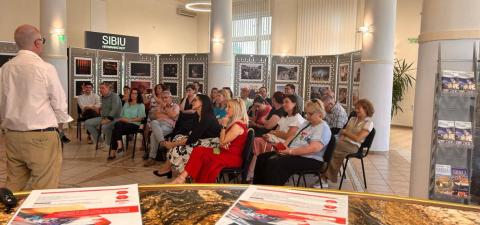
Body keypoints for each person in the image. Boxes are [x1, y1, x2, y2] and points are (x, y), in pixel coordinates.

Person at [0, 24, 73, 191]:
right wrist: (62, 124)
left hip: (12, 136)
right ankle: (39, 217)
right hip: (41, 136)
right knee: (45, 186)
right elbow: (59, 102)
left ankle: (6, 215)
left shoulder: (5, 69)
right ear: (37, 42)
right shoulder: (45, 68)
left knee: (13, 185)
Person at [169, 98, 249, 184]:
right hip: (223, 151)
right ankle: (183, 178)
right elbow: (224, 142)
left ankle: (184, 178)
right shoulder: (236, 123)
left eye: (229, 107)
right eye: (227, 106)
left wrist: (224, 126)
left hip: (230, 157)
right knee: (199, 150)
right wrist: (225, 141)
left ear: (236, 110)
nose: (226, 109)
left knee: (200, 152)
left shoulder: (237, 125)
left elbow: (222, 142)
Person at [253, 100, 331, 186]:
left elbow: (313, 148)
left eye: (310, 114)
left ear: (320, 114)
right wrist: (283, 146)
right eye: (307, 113)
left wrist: (290, 151)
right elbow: (293, 136)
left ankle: (272, 192)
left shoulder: (323, 128)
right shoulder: (307, 123)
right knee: (262, 158)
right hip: (295, 153)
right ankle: (258, 188)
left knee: (275, 163)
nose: (307, 116)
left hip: (310, 159)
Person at [153, 94, 222, 178]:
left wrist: (172, 144)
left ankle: (178, 173)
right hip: (202, 140)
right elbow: (193, 133)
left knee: (179, 148)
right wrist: (178, 140)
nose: (192, 102)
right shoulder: (197, 115)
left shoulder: (207, 117)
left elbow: (192, 139)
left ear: (203, 103)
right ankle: (175, 171)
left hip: (212, 145)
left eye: (195, 100)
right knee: (177, 138)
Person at [247, 94, 305, 181]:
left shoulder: (297, 119)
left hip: (284, 146)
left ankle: (251, 173)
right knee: (257, 141)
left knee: (257, 142)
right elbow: (275, 131)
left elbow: (289, 136)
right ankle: (253, 173)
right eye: (283, 102)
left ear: (294, 104)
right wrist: (271, 134)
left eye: (287, 102)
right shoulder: (285, 117)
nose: (284, 104)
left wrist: (274, 133)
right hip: (276, 140)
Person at [323, 99, 374, 184]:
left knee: (333, 147)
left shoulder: (368, 123)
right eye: (356, 108)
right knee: (329, 145)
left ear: (366, 109)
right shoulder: (352, 119)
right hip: (344, 142)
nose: (356, 110)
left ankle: (325, 177)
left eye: (359, 108)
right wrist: (342, 137)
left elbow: (358, 138)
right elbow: (343, 133)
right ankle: (323, 173)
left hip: (354, 146)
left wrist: (345, 133)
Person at [108, 88, 146, 160]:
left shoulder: (141, 105)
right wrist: (123, 119)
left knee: (115, 129)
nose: (133, 95)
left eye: (135, 93)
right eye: (132, 93)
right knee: (117, 125)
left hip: (134, 125)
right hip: (123, 124)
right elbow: (121, 115)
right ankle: (119, 145)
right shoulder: (126, 103)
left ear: (138, 95)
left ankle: (114, 150)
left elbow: (140, 118)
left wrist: (129, 120)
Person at [144, 91, 180, 167]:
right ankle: (162, 143)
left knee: (153, 135)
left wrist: (165, 109)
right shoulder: (160, 106)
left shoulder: (176, 106)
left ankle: (151, 158)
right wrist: (167, 114)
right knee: (153, 122)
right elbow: (156, 116)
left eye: (166, 97)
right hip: (157, 124)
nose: (164, 99)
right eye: (163, 98)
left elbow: (173, 116)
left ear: (171, 98)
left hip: (168, 126)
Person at [85, 82, 122, 150]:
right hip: (104, 117)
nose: (100, 90)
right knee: (88, 123)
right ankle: (100, 142)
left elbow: (115, 109)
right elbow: (104, 109)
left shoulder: (114, 96)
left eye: (102, 88)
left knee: (105, 127)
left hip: (115, 118)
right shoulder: (103, 97)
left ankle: (108, 145)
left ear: (108, 88)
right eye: (100, 88)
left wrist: (107, 119)